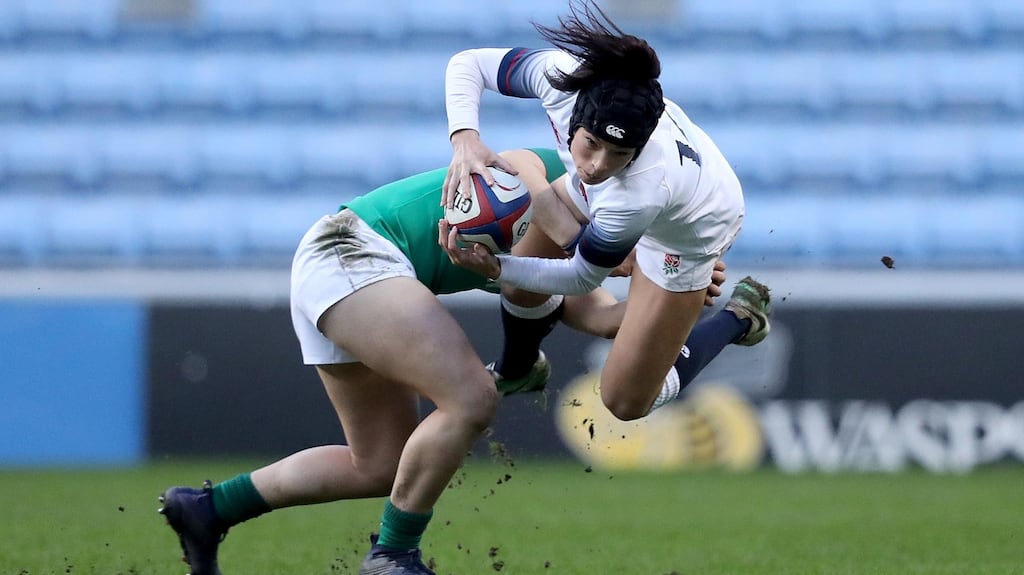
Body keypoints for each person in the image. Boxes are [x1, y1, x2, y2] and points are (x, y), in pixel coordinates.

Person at [156, 147, 717, 575]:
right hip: (356, 254)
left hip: (344, 265)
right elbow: (529, 269)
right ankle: (393, 555)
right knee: (471, 398)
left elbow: (598, 317)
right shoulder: (549, 171)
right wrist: (619, 259)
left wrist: (676, 295)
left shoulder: (598, 235)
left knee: (380, 464)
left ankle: (209, 509)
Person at [440, 0, 771, 421]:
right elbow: (469, 64)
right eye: (591, 143)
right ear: (576, 117)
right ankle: (518, 368)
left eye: (619, 153)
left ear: (640, 146)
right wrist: (465, 138)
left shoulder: (638, 190)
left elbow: (581, 277)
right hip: (634, 199)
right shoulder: (562, 78)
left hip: (691, 228)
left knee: (624, 400)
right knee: (527, 274)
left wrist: (494, 268)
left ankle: (741, 317)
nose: (597, 165)